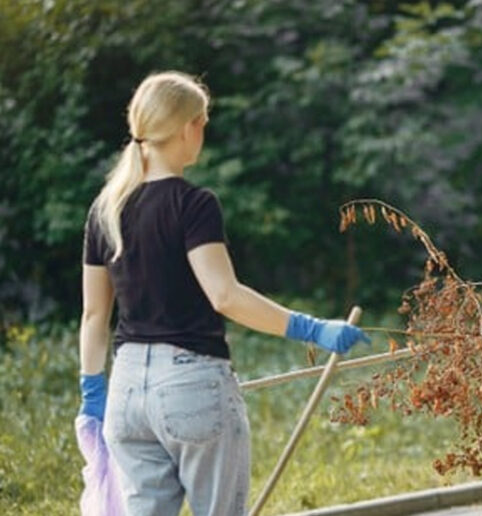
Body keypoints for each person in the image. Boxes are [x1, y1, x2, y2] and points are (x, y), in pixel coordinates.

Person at [77, 71, 369, 516]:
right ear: (186, 128)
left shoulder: (106, 210)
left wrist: (91, 388)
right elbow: (225, 296)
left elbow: (94, 316)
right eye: (203, 123)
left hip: (126, 394)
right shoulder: (194, 204)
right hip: (190, 387)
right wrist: (312, 329)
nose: (203, 133)